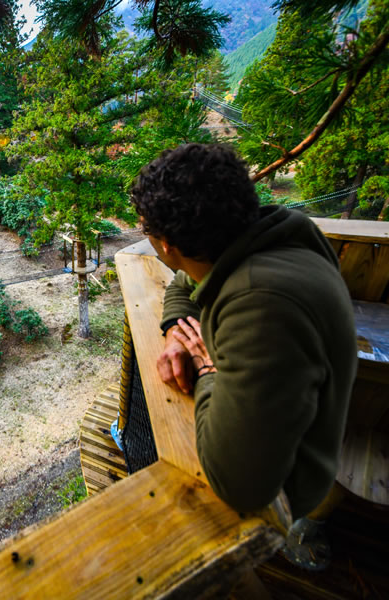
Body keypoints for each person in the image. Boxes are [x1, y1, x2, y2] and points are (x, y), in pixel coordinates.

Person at [129, 143, 357, 522]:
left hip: (286, 496)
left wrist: (205, 366)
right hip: (291, 431)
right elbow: (184, 283)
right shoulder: (264, 238)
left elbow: (240, 486)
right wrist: (174, 331)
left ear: (166, 246)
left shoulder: (262, 308)